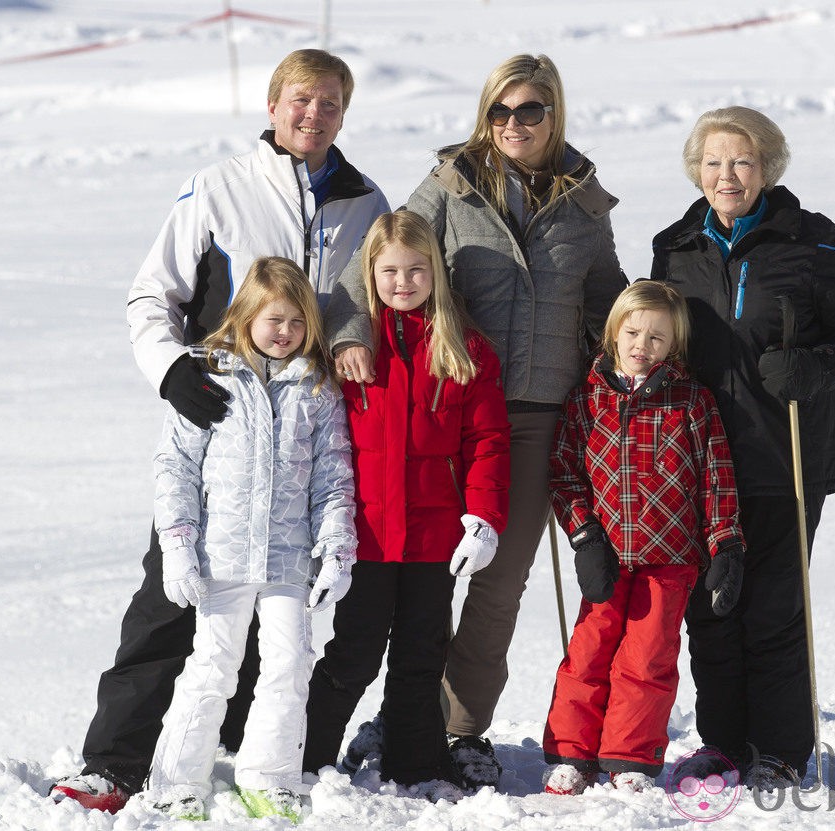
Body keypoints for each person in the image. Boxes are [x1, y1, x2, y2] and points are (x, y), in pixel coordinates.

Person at [50, 49, 388, 813]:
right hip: (221, 427)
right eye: (301, 99)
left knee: (281, 632)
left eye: (331, 103)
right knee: (172, 600)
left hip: (306, 429)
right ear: (272, 105)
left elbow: (370, 300)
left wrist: (354, 339)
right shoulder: (219, 187)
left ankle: (243, 756)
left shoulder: (365, 201)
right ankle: (115, 758)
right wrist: (172, 370)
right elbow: (152, 293)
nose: (314, 114)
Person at [325, 54, 627, 789]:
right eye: (500, 111)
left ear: (554, 113)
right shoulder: (449, 188)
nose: (514, 124)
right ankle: (396, 718)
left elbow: (609, 307)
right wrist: (349, 334)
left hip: (528, 418)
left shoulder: (585, 205)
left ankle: (456, 726)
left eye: (529, 110)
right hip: (436, 408)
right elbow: (375, 266)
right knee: (407, 581)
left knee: (495, 580)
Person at [650, 106, 835, 791]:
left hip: (788, 455)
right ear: (697, 168)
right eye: (715, 162)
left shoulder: (809, 241)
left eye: (743, 161)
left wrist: (815, 367)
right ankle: (724, 744)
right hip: (699, 463)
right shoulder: (675, 246)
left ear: (768, 168)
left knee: (774, 607)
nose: (728, 175)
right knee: (713, 611)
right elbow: (651, 335)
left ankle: (780, 748)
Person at [138, 258, 356, 822]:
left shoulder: (316, 387)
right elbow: (176, 469)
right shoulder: (209, 375)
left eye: (297, 322)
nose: (285, 333)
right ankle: (176, 779)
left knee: (288, 666)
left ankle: (269, 775)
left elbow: (334, 476)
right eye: (274, 320)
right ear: (245, 316)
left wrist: (336, 549)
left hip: (288, 559)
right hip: (222, 555)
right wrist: (178, 546)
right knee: (213, 664)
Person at [303, 211, 511, 800]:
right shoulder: (349, 350)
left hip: (433, 539)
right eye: (389, 270)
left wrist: (484, 520)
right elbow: (319, 445)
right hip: (364, 537)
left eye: (416, 269)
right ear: (369, 273)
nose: (402, 281)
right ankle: (307, 753)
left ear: (436, 273)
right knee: (354, 653)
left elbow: (489, 442)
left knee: (422, 656)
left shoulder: (463, 348)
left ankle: (415, 760)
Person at [540, 281, 745, 796]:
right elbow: (564, 473)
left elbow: (717, 479)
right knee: (588, 652)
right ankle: (572, 752)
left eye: (657, 338)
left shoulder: (693, 401)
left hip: (670, 559)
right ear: (613, 332)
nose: (642, 346)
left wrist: (726, 544)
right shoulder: (587, 398)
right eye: (633, 332)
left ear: (673, 344)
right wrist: (584, 536)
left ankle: (629, 755)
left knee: (648, 659)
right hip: (606, 556)